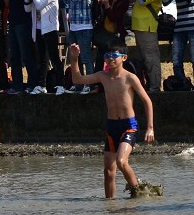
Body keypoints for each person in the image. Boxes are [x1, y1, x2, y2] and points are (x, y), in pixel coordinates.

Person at [65, 42, 155, 199]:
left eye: (115, 56)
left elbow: (147, 101)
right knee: (108, 170)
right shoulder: (102, 76)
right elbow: (77, 79)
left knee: (121, 161)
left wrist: (150, 128)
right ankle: (110, 205)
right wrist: (74, 58)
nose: (110, 59)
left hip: (129, 125)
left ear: (124, 58)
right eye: (108, 56)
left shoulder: (130, 78)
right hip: (112, 126)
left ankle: (138, 195)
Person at [0, 0, 36, 95]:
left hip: (23, 24)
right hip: (13, 23)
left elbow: (13, 1)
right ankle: (17, 85)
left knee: (26, 55)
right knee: (14, 55)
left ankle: (32, 84)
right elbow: (9, 3)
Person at [127, 0, 163, 92]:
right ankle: (148, 84)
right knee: (143, 58)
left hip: (148, 27)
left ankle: (155, 86)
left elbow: (142, 1)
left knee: (151, 58)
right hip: (138, 27)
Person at [25, 0, 60, 94]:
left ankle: (60, 85)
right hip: (39, 29)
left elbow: (40, 5)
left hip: (50, 28)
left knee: (54, 57)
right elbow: (27, 9)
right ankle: (41, 85)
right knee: (42, 58)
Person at [63, 0, 98, 80]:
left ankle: (89, 83)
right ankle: (78, 83)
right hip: (73, 26)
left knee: (85, 57)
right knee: (75, 58)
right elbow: (67, 1)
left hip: (85, 27)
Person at [92, 0, 130, 69]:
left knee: (117, 60)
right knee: (100, 58)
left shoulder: (124, 2)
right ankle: (97, 81)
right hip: (104, 33)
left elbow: (114, 18)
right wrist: (99, 3)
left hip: (116, 35)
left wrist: (107, 6)